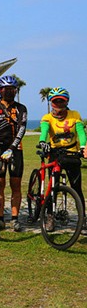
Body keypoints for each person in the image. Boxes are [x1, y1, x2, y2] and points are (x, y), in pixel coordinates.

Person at [0, 75, 28, 232]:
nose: (9, 92)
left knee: (15, 185)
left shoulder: (21, 108)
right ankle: (0, 218)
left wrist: (12, 148)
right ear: (0, 90)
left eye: (12, 89)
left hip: (15, 150)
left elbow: (22, 129)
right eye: (6, 89)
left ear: (15, 91)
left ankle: (15, 219)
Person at [39, 87, 86, 233]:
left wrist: (83, 146)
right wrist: (42, 141)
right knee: (53, 187)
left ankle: (83, 218)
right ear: (51, 103)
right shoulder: (47, 118)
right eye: (55, 101)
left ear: (67, 102)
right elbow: (44, 131)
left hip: (72, 153)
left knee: (76, 187)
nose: (58, 104)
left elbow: (81, 132)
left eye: (62, 101)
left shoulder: (74, 115)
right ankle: (50, 216)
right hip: (55, 154)